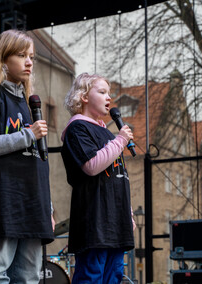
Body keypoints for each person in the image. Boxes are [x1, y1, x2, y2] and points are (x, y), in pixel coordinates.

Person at [0, 29, 54, 283]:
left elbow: (39, 161)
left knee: (28, 276)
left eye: (31, 57)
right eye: (21, 55)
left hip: (33, 204)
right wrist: (27, 135)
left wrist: (47, 206)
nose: (29, 62)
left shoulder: (30, 104)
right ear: (3, 59)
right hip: (4, 201)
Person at [61, 73, 136, 283]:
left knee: (114, 276)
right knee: (92, 275)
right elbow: (92, 165)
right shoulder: (78, 128)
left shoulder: (109, 135)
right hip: (94, 221)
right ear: (84, 96)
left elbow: (119, 178)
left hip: (115, 222)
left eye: (109, 93)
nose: (108, 98)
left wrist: (127, 212)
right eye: (102, 92)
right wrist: (121, 139)